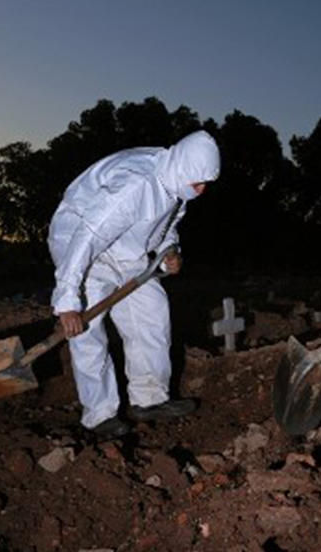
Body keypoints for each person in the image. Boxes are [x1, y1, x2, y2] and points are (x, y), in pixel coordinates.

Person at [47, 130, 220, 440]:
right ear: (184, 169)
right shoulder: (134, 185)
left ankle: (149, 399)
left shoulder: (177, 182)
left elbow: (165, 224)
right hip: (81, 246)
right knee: (87, 330)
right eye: (198, 182)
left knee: (151, 311)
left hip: (126, 249)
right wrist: (68, 301)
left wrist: (169, 251)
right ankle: (99, 415)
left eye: (206, 183)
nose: (202, 189)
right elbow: (88, 236)